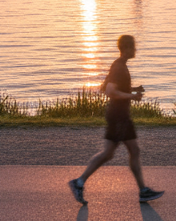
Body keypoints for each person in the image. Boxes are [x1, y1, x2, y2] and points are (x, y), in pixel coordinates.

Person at [68, 35, 163, 205]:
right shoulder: (119, 67)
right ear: (126, 49)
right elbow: (110, 91)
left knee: (113, 153)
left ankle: (80, 182)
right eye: (133, 47)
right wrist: (132, 96)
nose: (135, 50)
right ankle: (142, 191)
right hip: (119, 116)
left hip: (119, 115)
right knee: (128, 151)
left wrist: (131, 89)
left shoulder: (119, 66)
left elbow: (105, 86)